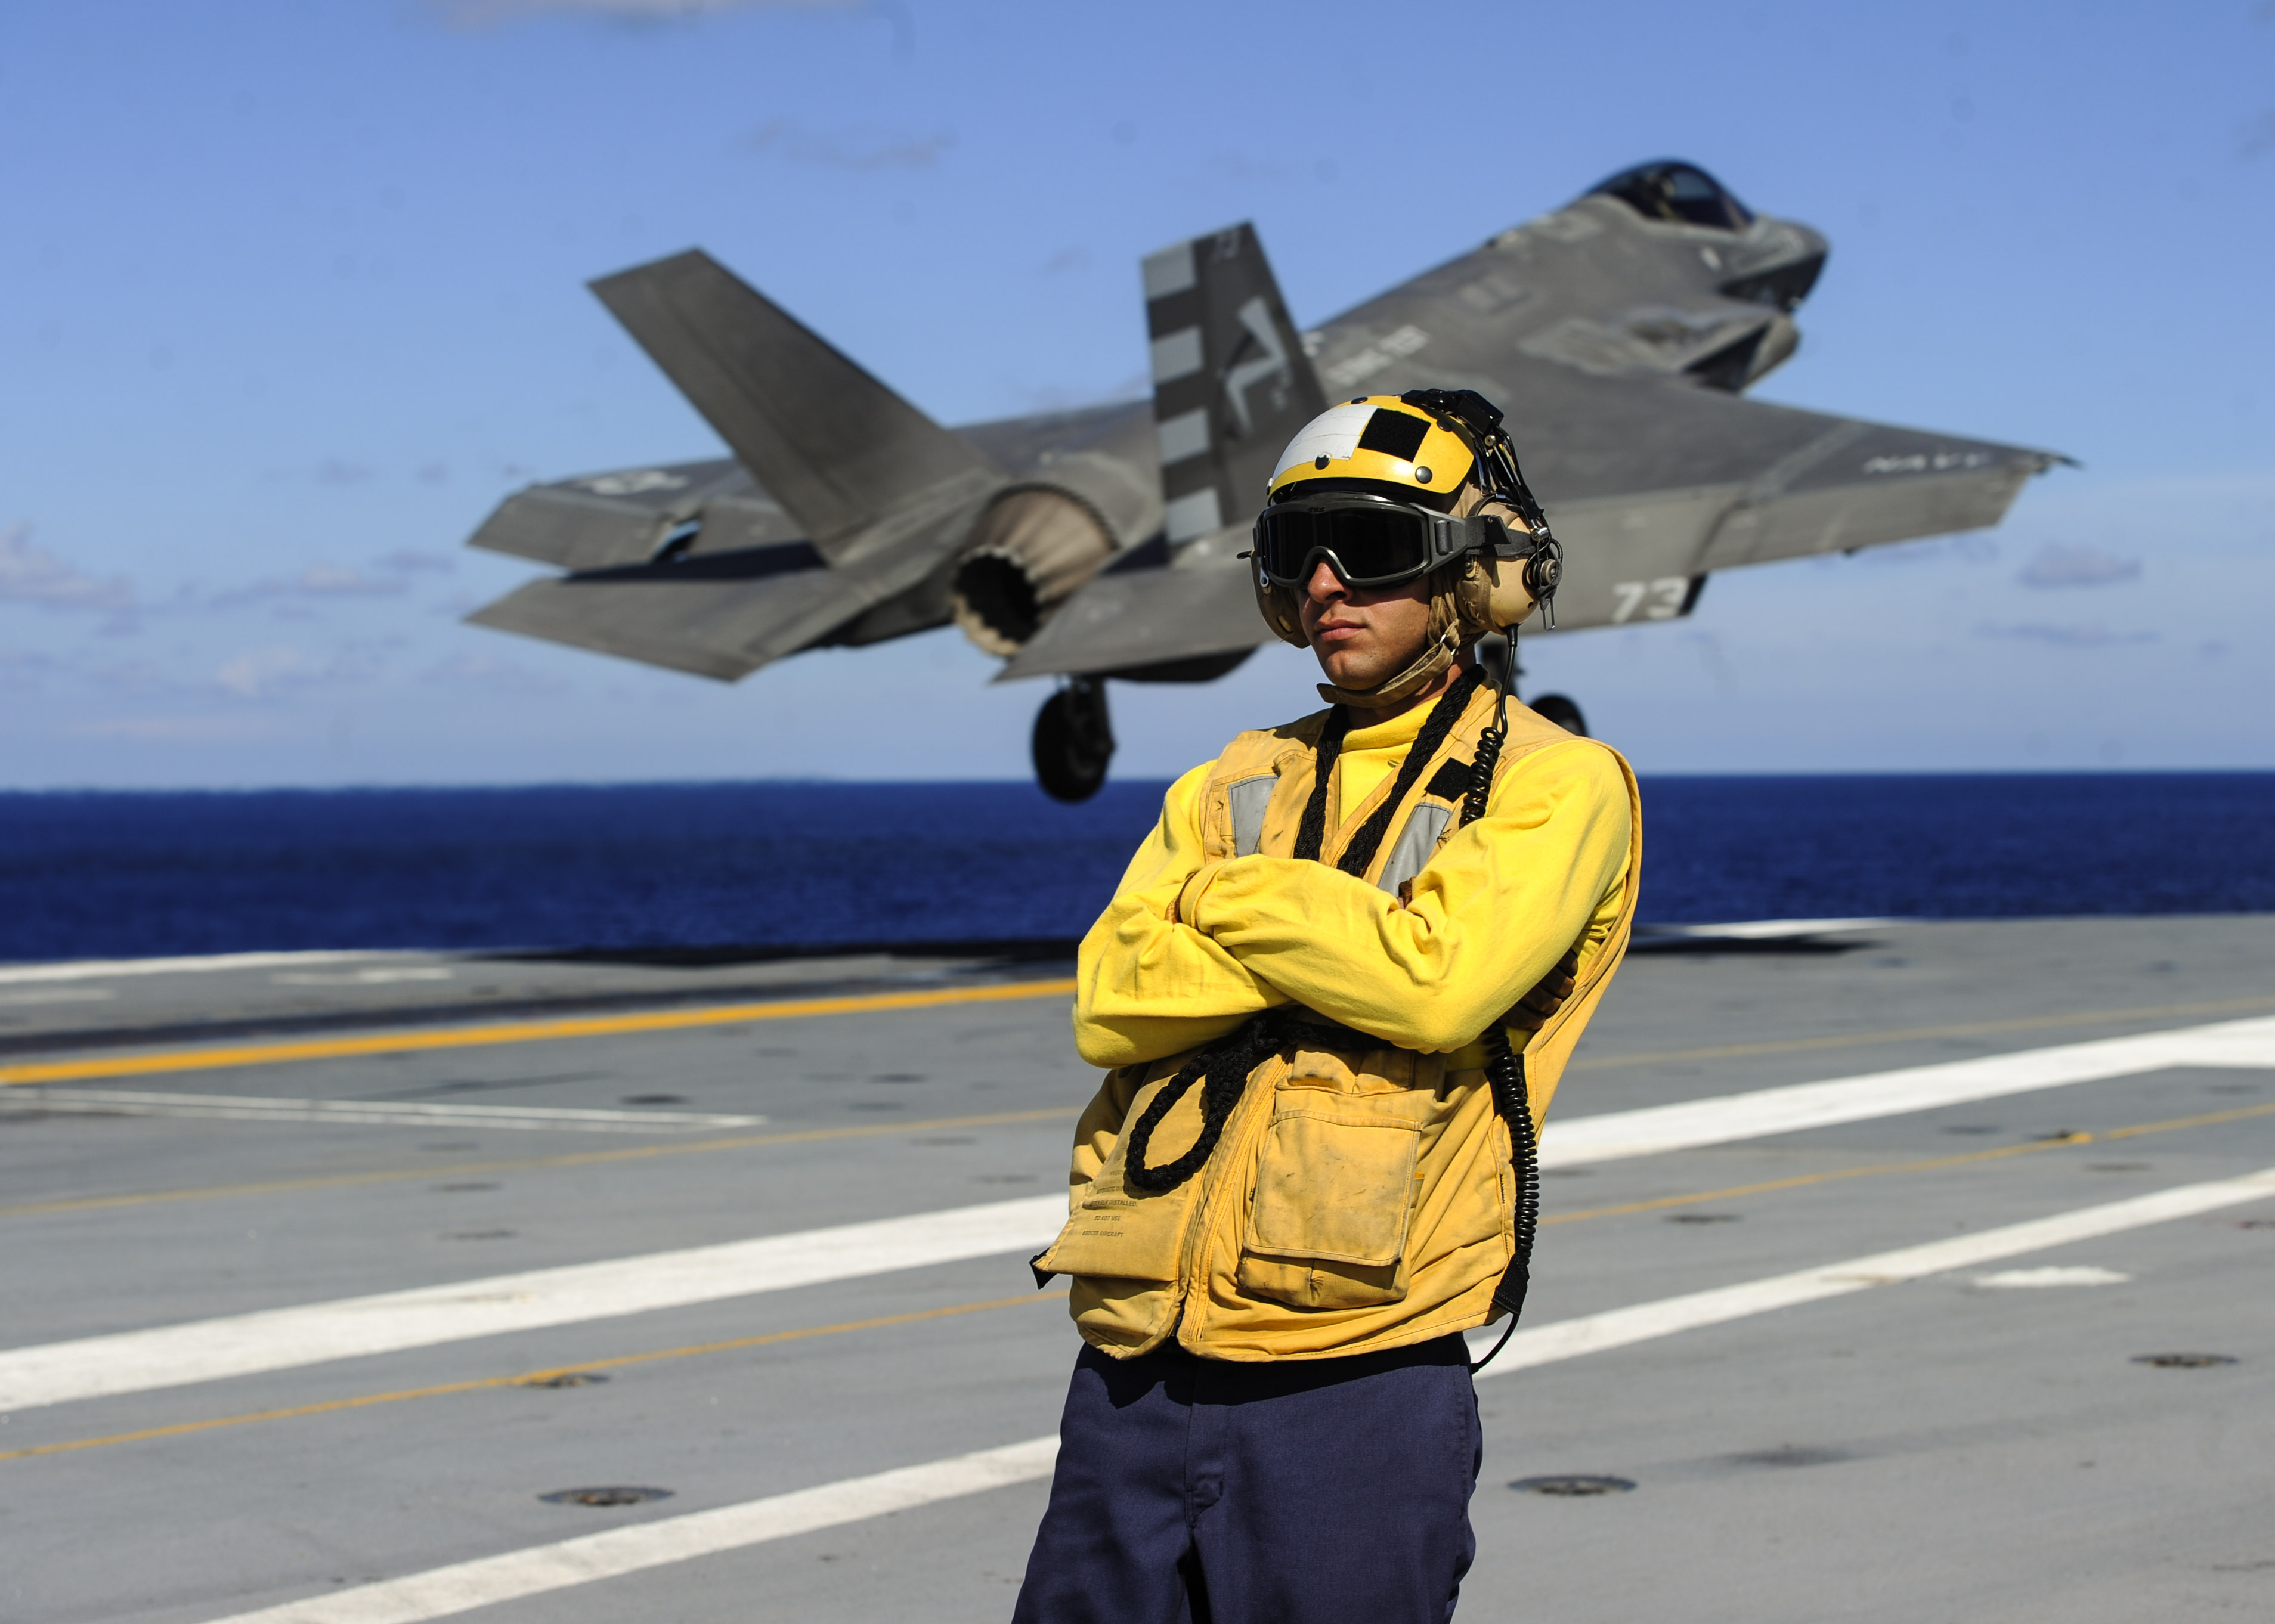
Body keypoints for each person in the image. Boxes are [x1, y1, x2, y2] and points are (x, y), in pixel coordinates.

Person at [1012, 390, 1642, 1623]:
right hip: (1136, 1367)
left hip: (1355, 1379)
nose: (1328, 585)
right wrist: (1346, 934)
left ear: (1480, 575)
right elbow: (1111, 999)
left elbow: (1438, 984)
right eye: (1299, 553)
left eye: (1376, 547)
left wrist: (1233, 901)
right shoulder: (1230, 776)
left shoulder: (1555, 786)